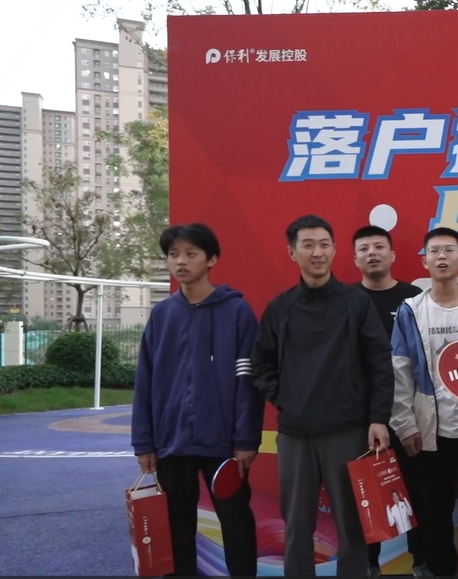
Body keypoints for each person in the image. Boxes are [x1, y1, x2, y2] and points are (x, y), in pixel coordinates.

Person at [251, 214, 394, 577]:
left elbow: (380, 364)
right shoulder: (280, 307)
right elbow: (260, 365)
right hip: (296, 433)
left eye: (324, 245)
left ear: (334, 250)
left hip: (348, 430)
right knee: (296, 527)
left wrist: (378, 418)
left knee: (352, 525)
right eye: (308, 245)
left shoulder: (356, 302)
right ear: (292, 252)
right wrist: (285, 399)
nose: (317, 253)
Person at [130, 223, 261, 578]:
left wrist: (245, 438)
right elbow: (145, 381)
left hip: (224, 445)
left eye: (191, 254)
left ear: (211, 259)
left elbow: (248, 380)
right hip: (172, 443)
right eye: (173, 255)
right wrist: (144, 442)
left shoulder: (237, 312)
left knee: (236, 524)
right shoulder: (161, 315)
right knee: (175, 530)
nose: (180, 262)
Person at [388, 227, 458, 578]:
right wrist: (405, 426)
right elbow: (400, 371)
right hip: (429, 433)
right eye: (434, 251)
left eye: (449, 250)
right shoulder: (411, 311)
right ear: (425, 261)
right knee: (435, 516)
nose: (442, 257)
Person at [351, 225, 424, 578]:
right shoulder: (346, 300)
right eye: (364, 248)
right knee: (367, 492)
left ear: (392, 255)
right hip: (361, 416)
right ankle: (368, 565)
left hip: (409, 414)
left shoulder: (414, 299)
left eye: (379, 247)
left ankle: (421, 562)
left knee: (417, 490)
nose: (372, 253)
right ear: (355, 259)